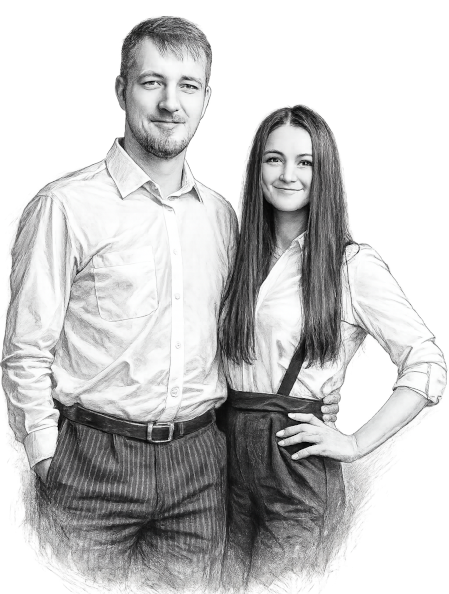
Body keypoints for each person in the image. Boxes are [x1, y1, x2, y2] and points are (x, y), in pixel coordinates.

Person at [1, 18, 340, 591]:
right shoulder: (67, 206)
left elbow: (262, 326)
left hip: (201, 466)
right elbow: (26, 349)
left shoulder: (224, 220)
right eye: (151, 82)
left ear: (207, 98)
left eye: (188, 85)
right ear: (120, 90)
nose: (169, 103)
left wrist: (322, 390)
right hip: (91, 462)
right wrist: (46, 457)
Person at [219, 103, 447, 586]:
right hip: (224, 463)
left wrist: (355, 443)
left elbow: (427, 363)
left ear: (325, 172)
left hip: (297, 469)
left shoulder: (352, 265)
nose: (288, 174)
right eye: (274, 159)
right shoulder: (234, 254)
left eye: (305, 162)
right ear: (256, 167)